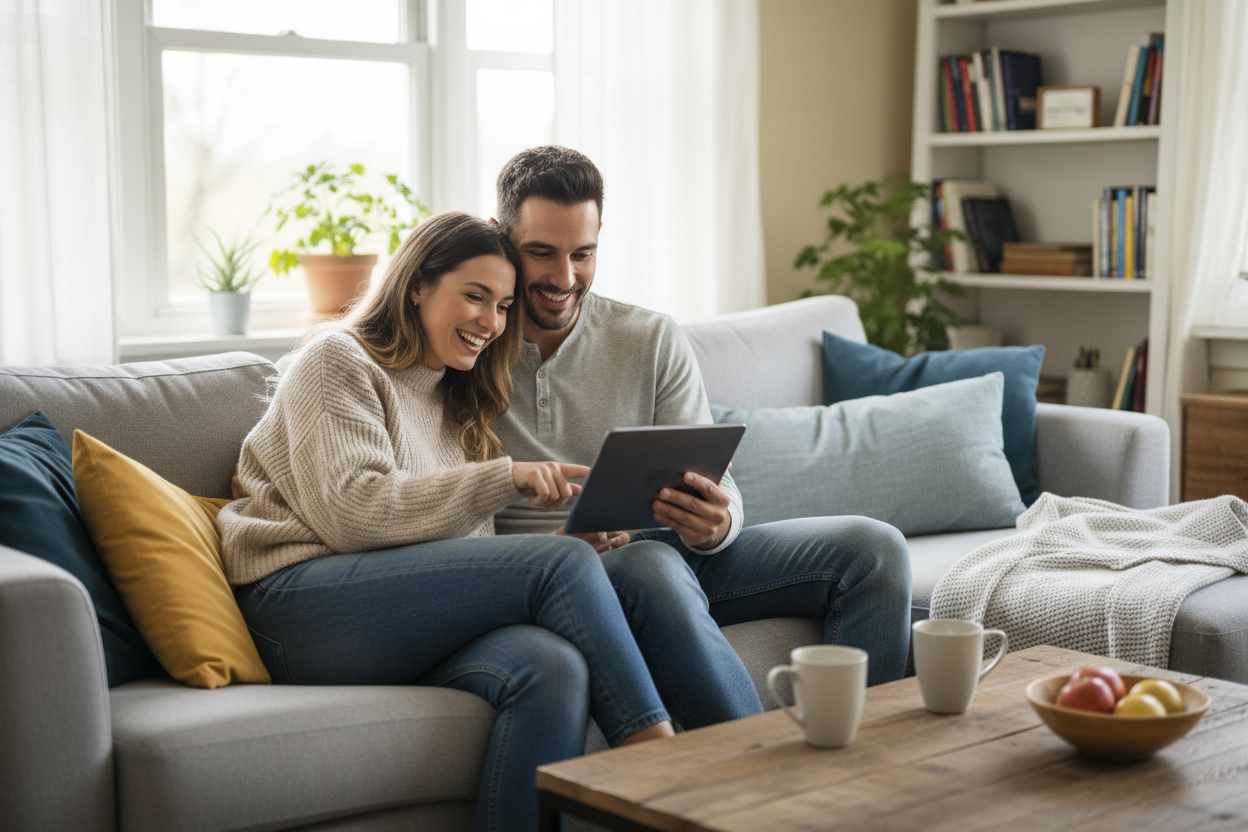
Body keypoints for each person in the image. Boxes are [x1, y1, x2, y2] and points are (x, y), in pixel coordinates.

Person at [218, 211, 672, 832]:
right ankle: (663, 766)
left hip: (387, 613)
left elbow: (455, 545)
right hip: (295, 607)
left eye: (504, 306)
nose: (492, 322)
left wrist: (561, 544)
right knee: (558, 565)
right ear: (417, 286)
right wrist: (505, 479)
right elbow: (354, 512)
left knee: (551, 664)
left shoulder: (454, 397)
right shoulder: (337, 359)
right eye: (475, 296)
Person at [489, 147, 914, 729]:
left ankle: (862, 763)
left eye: (582, 254)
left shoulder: (649, 337)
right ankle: (749, 770)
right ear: (501, 236)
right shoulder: (466, 343)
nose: (564, 278)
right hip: (556, 572)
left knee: (875, 549)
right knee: (650, 563)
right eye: (541, 253)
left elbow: (720, 486)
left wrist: (716, 524)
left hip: (665, 549)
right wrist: (560, 550)